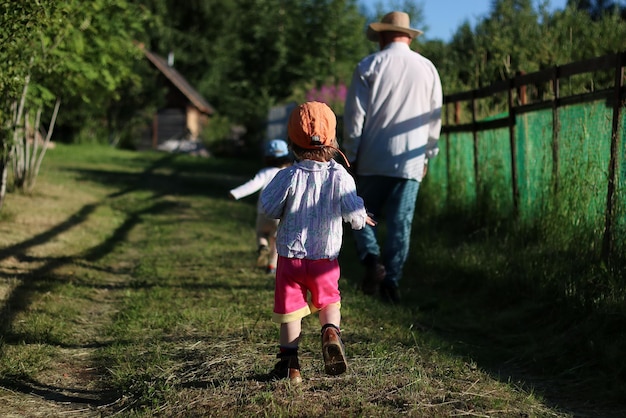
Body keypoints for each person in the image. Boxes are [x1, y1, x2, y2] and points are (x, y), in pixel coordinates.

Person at [260, 101, 375, 383]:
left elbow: (269, 208)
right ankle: (331, 331)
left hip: (290, 258)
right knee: (329, 301)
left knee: (290, 311)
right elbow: (352, 210)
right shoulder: (340, 176)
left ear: (292, 142)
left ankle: (289, 366)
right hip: (325, 258)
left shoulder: (288, 175)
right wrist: (362, 218)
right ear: (332, 139)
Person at [343, 11, 443, 303]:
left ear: (383, 36)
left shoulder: (369, 66)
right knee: (401, 223)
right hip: (410, 160)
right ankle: (392, 284)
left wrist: (351, 154)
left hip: (374, 156)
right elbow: (434, 117)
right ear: (408, 36)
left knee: (361, 214)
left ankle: (372, 262)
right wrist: (427, 155)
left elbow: (354, 116)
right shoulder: (428, 68)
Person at [229, 138, 292, 274]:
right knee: (275, 241)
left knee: (261, 233)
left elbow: (253, 185)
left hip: (264, 213)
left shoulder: (264, 172)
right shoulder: (289, 173)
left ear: (267, 157)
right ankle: (272, 266)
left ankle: (262, 245)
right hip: (280, 215)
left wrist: (236, 193)